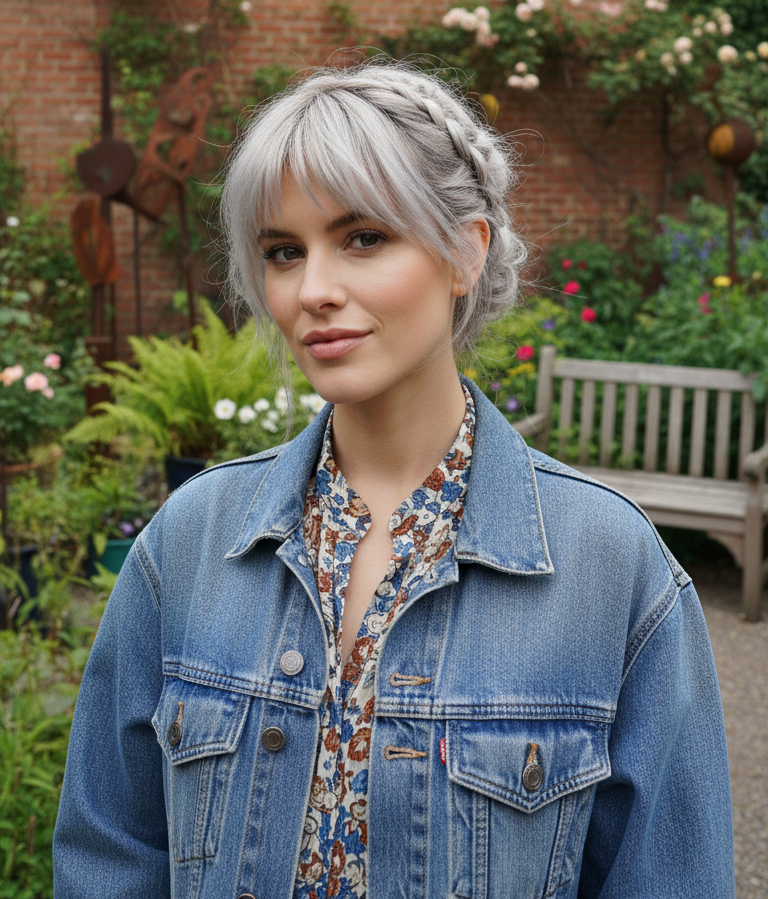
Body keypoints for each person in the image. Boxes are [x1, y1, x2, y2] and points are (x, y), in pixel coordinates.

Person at [54, 61, 734, 899]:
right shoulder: (189, 542)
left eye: (363, 238)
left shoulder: (612, 570)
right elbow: (109, 854)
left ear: (464, 253)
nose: (313, 290)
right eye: (282, 251)